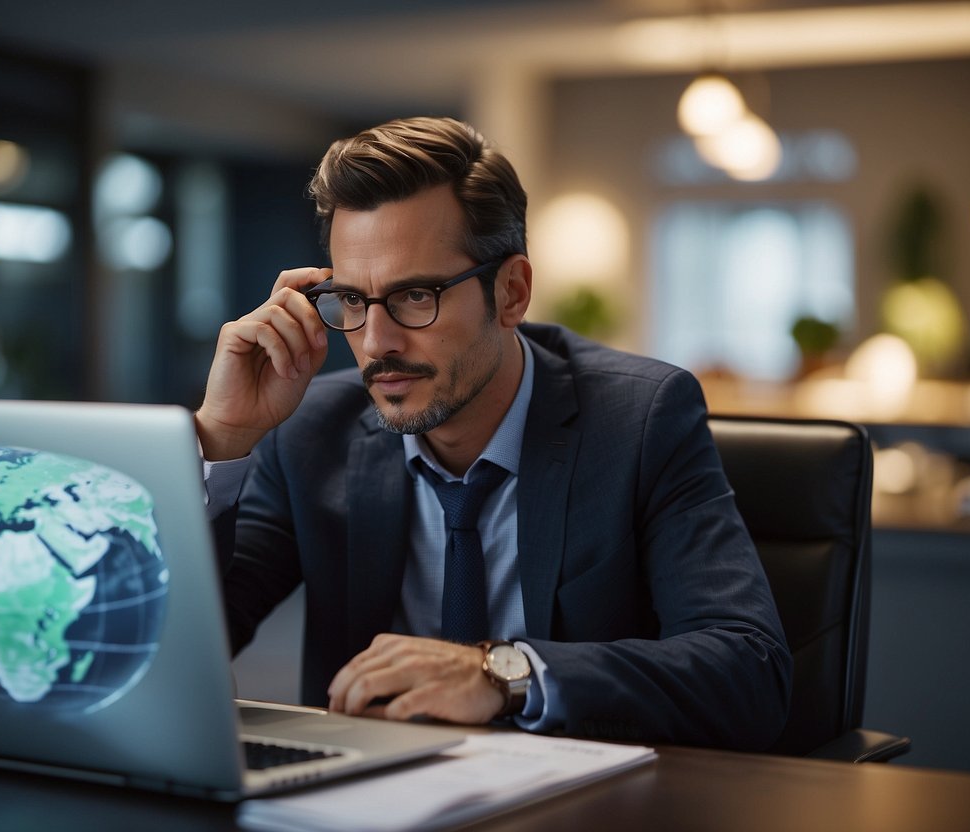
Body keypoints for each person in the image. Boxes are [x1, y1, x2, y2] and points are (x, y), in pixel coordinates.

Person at [194, 116, 791, 750]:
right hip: (366, 802)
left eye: (415, 296)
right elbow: (163, 649)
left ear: (511, 292)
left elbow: (749, 670)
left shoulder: (641, 421)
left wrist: (503, 673)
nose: (376, 343)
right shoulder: (313, 431)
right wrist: (222, 438)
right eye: (353, 299)